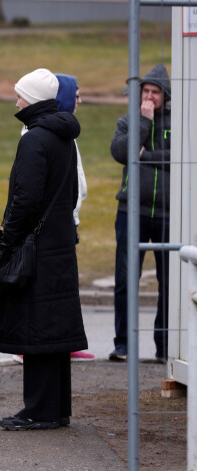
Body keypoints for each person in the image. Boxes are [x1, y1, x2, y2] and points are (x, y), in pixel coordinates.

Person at [0, 68, 87, 431]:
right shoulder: (64, 136)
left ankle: (38, 410)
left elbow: (25, 198)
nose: (16, 102)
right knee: (56, 328)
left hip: (36, 246)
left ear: (33, 99)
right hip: (60, 242)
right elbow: (73, 191)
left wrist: (6, 238)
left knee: (37, 328)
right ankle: (57, 407)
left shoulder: (34, 139)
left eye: (20, 96)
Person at [12, 74, 94, 364]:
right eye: (77, 94)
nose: (80, 100)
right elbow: (38, 191)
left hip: (57, 224)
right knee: (47, 293)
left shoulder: (59, 133)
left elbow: (70, 182)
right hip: (53, 226)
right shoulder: (39, 135)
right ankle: (38, 345)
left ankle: (60, 340)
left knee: (55, 293)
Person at [109, 64, 171, 363]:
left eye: (154, 92)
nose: (149, 96)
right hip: (131, 212)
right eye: (145, 91)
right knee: (125, 278)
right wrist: (143, 125)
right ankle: (123, 344)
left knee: (169, 281)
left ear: (165, 95)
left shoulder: (178, 123)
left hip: (168, 214)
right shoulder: (128, 121)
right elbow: (122, 152)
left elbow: (182, 158)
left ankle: (166, 345)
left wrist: (146, 155)